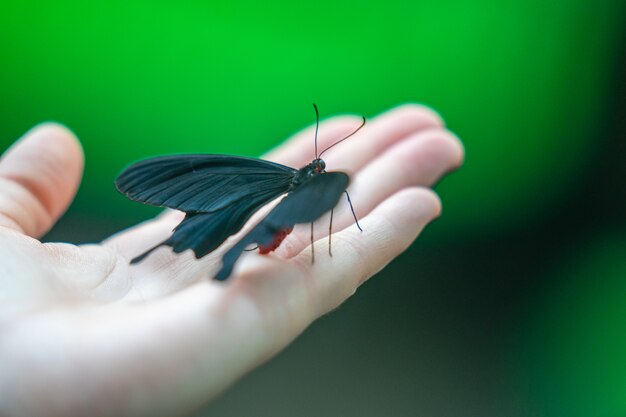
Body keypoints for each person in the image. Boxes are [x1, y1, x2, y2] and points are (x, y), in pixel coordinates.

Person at [0, 104, 464, 416]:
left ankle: (208, 251)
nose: (319, 171)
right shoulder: (323, 181)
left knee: (243, 223)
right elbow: (323, 207)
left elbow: (317, 210)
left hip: (272, 212)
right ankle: (206, 251)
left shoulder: (310, 181)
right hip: (267, 212)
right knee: (228, 224)